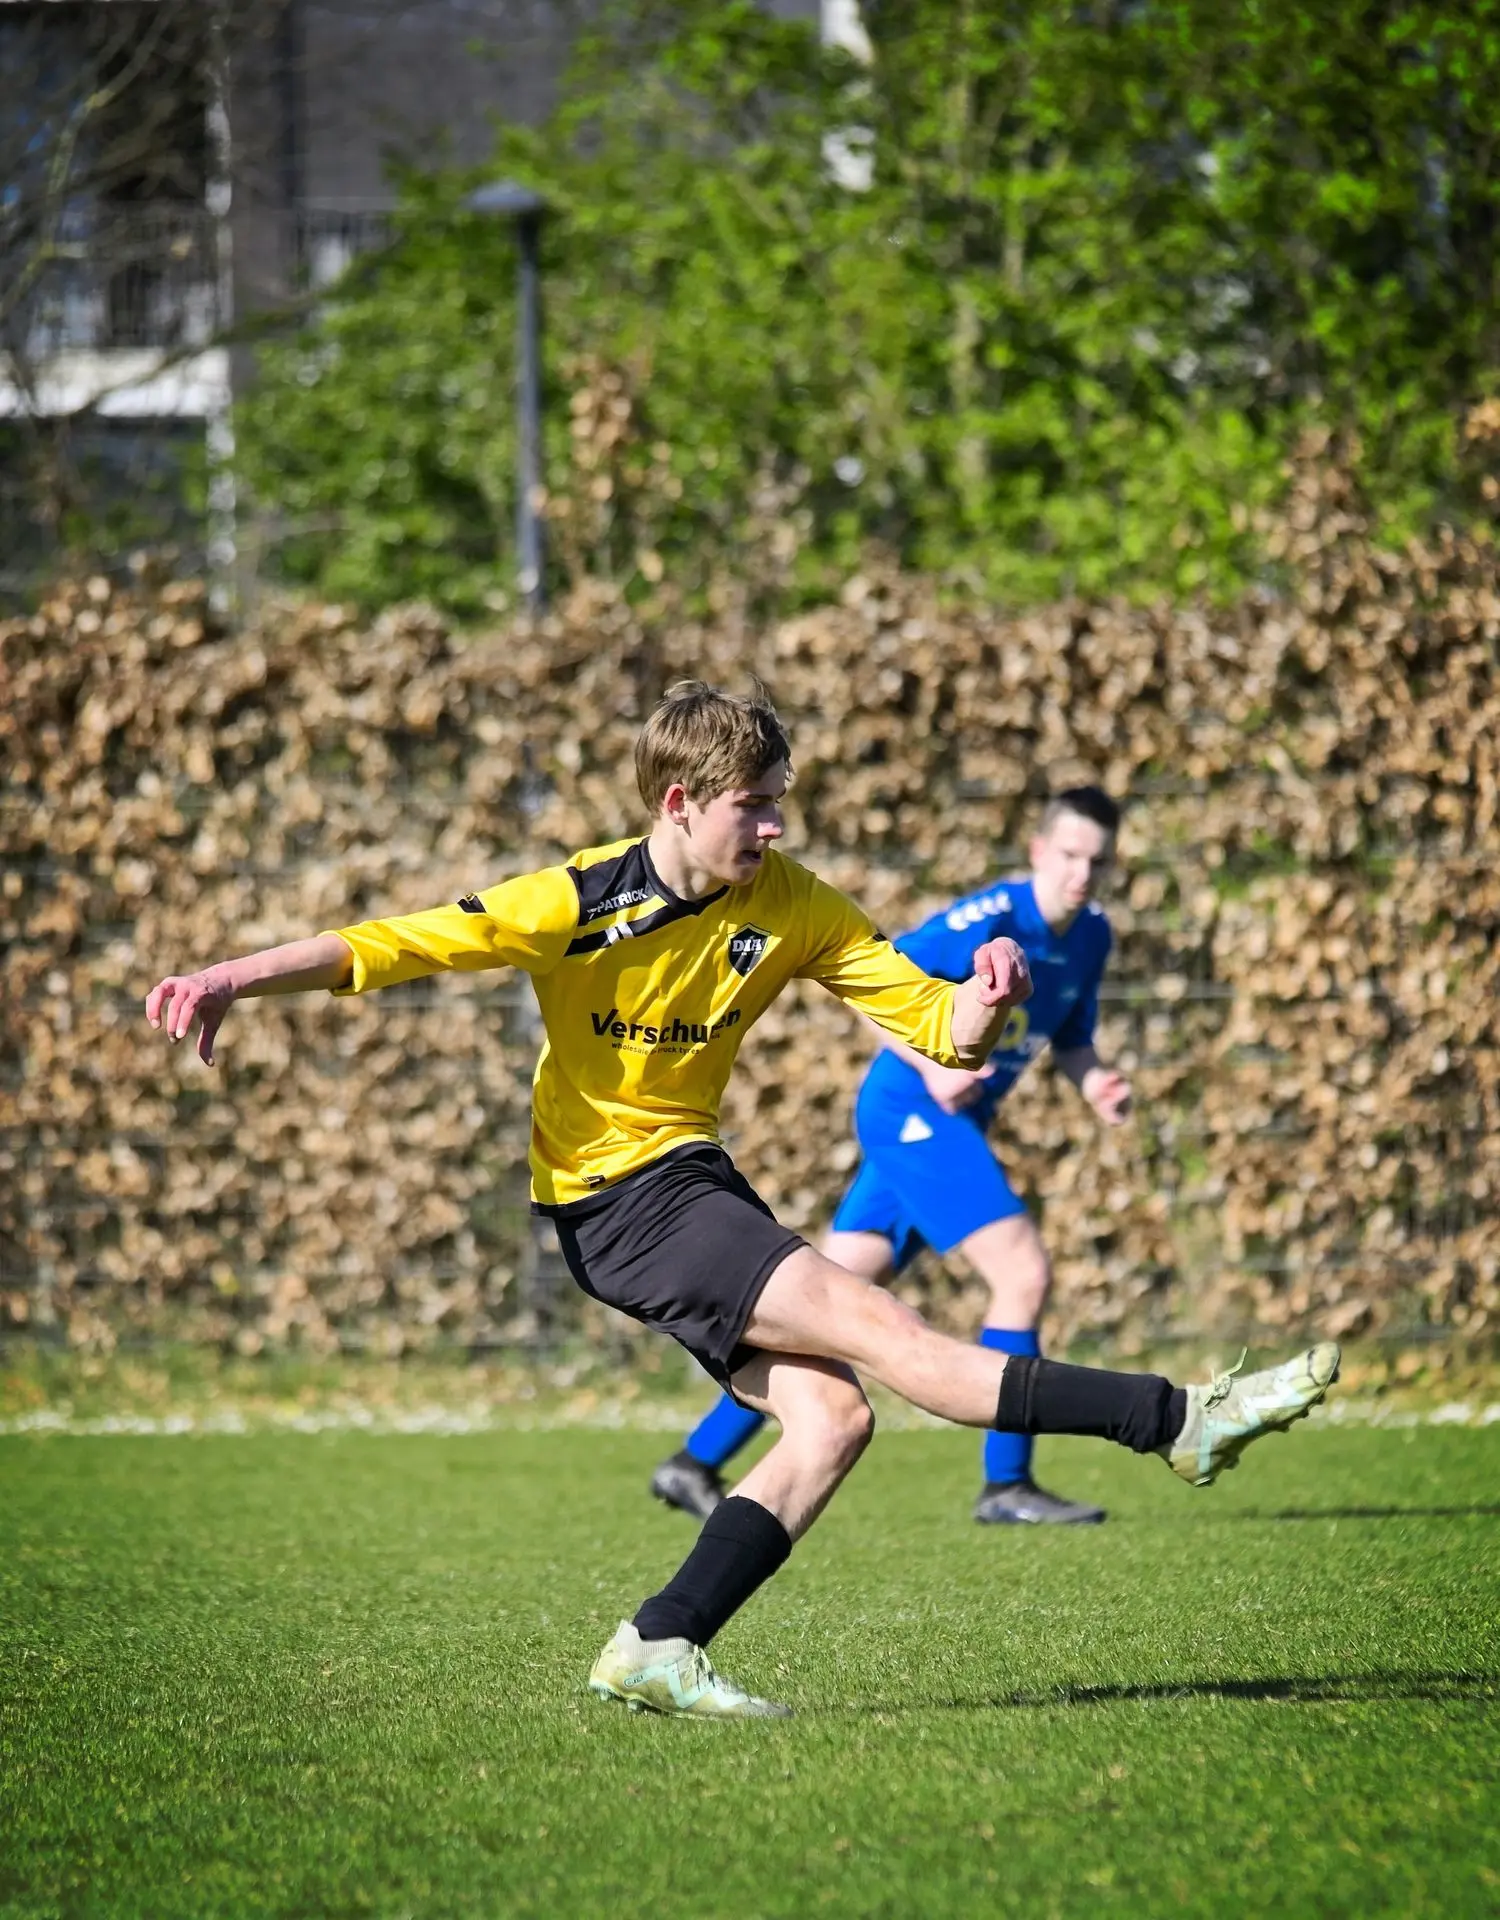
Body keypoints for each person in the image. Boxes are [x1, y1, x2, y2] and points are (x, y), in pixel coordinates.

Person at [145, 681, 1339, 1720]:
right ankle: (1176, 1419)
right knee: (898, 1341)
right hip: (618, 1199)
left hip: (690, 1179)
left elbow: (932, 1023)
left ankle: (658, 1647)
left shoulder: (793, 902)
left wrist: (985, 998)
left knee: (833, 1421)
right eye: (752, 807)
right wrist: (230, 977)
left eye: (779, 804)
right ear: (679, 804)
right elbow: (387, 946)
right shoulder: (575, 900)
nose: (774, 827)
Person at [652, 786, 1136, 1528]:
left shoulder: (1092, 936)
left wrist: (1095, 1080)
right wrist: (935, 1066)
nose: (1082, 873)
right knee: (1022, 1272)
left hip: (942, 1124)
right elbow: (874, 982)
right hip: (911, 1109)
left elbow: (1071, 1037)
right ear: (1039, 851)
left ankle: (692, 1463)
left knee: (827, 1308)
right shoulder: (990, 920)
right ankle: (1007, 1484)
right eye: (1069, 855)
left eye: (1097, 862)